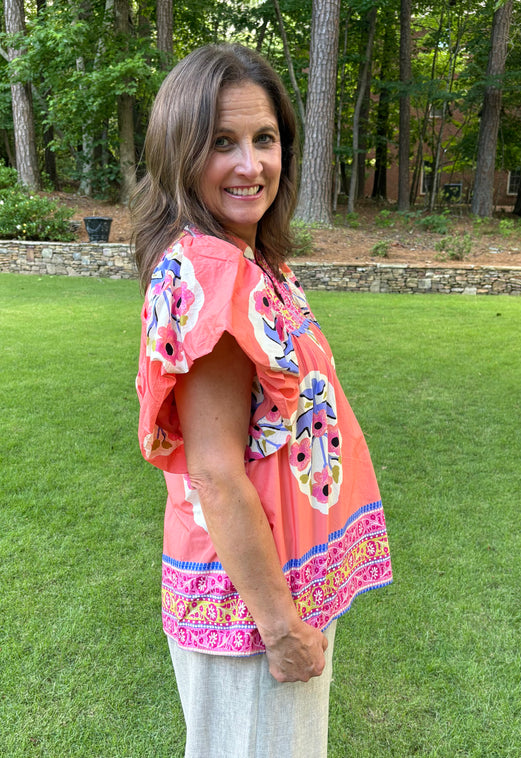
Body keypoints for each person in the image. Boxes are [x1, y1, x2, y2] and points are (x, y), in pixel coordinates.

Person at [132, 43, 392, 758]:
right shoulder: (213, 272)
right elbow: (215, 473)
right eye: (222, 142)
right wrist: (280, 630)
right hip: (251, 607)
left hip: (275, 582)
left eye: (265, 138)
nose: (250, 165)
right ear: (180, 152)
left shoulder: (251, 259)